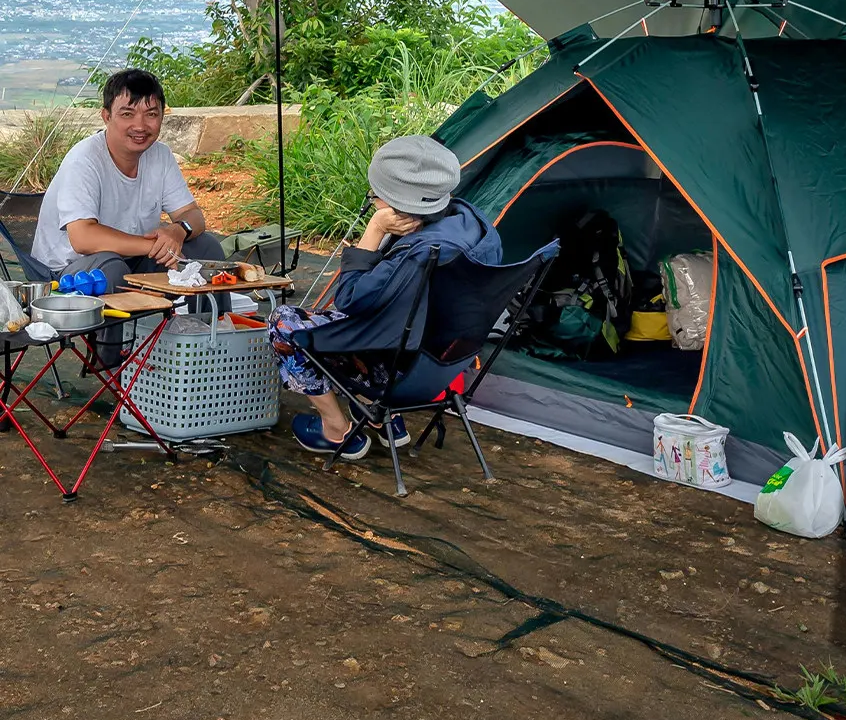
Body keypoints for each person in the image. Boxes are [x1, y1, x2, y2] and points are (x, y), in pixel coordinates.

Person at [266, 134, 502, 460]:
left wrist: (376, 229)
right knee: (385, 318)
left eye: (375, 196)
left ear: (394, 203)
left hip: (396, 374)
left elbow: (348, 299)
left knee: (284, 322)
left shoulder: (417, 252)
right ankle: (384, 420)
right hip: (441, 365)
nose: (373, 202)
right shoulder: (471, 222)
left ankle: (336, 429)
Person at [34, 67, 227, 288]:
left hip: (133, 259)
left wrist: (178, 230)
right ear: (106, 116)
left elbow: (192, 214)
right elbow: (83, 238)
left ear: (163, 115)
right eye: (127, 114)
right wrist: (157, 246)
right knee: (110, 270)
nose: (140, 126)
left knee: (207, 247)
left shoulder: (160, 155)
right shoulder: (84, 159)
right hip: (67, 270)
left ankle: (206, 323)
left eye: (151, 114)